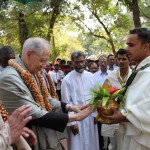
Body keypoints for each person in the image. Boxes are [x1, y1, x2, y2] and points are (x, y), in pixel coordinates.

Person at [0, 37, 94, 150]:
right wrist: (76, 117)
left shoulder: (30, 70)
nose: (45, 65)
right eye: (42, 60)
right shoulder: (9, 77)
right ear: (29, 54)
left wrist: (70, 107)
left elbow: (45, 99)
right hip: (24, 140)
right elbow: (33, 111)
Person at [101, 28, 150, 150]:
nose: (127, 49)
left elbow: (146, 109)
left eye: (131, 45)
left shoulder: (148, 73)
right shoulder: (140, 71)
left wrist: (122, 116)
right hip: (133, 133)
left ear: (145, 47)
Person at [61, 51, 99, 150]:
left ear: (85, 61)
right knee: (77, 145)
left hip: (90, 117)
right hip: (76, 119)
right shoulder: (67, 80)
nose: (80, 64)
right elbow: (66, 102)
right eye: (77, 62)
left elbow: (96, 97)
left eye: (82, 61)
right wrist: (72, 123)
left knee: (92, 144)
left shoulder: (91, 76)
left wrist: (96, 115)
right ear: (72, 63)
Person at [102, 48, 132, 150]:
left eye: (124, 59)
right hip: (114, 116)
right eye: (119, 59)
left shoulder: (135, 75)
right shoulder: (110, 77)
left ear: (129, 60)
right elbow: (104, 98)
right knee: (113, 145)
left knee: (128, 145)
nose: (121, 61)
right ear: (116, 60)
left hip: (129, 117)